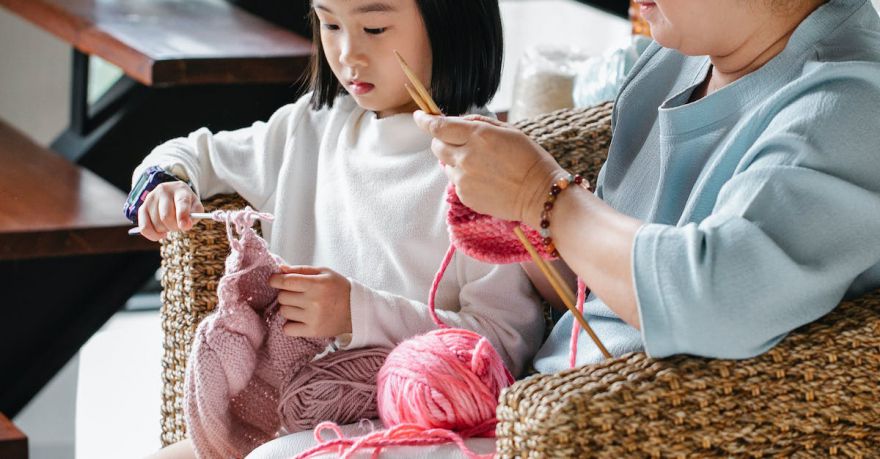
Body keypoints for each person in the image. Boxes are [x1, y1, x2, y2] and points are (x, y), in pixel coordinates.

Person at [134, 0, 544, 457]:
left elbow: (504, 347)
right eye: (330, 24)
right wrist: (166, 185)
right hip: (294, 411)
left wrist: (358, 312)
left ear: (451, 22)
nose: (348, 53)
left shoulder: (484, 167)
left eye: (374, 27)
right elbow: (192, 153)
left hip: (420, 423)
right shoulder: (309, 130)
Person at [414, 0, 880, 373]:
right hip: (542, 397)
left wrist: (545, 195)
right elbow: (597, 298)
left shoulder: (848, 106)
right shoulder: (674, 60)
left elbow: (712, 303)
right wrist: (525, 212)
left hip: (638, 421)